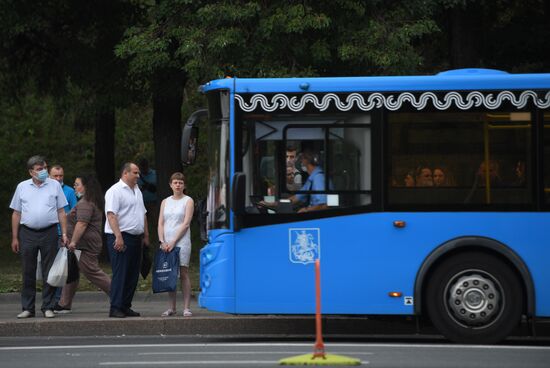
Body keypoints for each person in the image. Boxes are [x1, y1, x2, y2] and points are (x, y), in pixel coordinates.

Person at [9, 155, 68, 319]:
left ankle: (48, 306)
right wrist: (15, 237)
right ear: (31, 172)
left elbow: (61, 211)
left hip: (49, 231)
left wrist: (64, 233)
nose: (43, 172)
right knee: (28, 270)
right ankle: (28, 307)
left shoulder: (54, 185)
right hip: (27, 232)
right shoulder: (22, 187)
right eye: (39, 169)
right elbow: (16, 213)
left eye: (45, 168)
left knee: (49, 271)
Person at [54, 174, 111, 314]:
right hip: (79, 245)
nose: (75, 187)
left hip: (84, 245)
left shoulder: (86, 203)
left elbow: (82, 224)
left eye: (77, 184)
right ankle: (64, 303)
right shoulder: (89, 201)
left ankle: (118, 296)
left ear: (86, 186)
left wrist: (73, 241)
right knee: (71, 273)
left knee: (92, 272)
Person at [104, 162, 150, 318]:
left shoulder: (137, 190)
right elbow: (111, 215)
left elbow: (143, 213)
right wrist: (118, 236)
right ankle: (115, 306)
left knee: (132, 274)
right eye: (135, 173)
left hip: (136, 237)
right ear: (125, 173)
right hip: (120, 236)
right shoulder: (115, 191)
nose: (138, 176)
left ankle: (125, 305)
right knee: (121, 273)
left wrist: (146, 236)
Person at [157, 172, 195, 317]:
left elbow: (186, 223)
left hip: (182, 241)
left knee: (183, 273)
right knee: (169, 273)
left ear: (184, 185)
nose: (178, 185)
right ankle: (171, 308)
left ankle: (186, 307)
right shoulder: (165, 201)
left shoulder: (188, 201)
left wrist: (173, 242)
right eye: (175, 182)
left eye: (180, 182)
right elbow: (160, 223)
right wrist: (162, 241)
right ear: (170, 184)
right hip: (166, 242)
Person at [49, 164, 78, 304]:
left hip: (63, 233)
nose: (58, 178)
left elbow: (74, 211)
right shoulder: (45, 189)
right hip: (47, 232)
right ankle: (49, 299)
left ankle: (58, 300)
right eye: (55, 176)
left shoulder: (69, 191)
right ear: (49, 176)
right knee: (48, 267)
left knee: (61, 268)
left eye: (61, 176)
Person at [137, 158, 158, 224]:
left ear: (147, 165)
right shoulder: (137, 176)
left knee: (155, 222)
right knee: (142, 223)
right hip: (140, 204)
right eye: (142, 166)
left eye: (144, 166)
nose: (143, 168)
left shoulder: (155, 174)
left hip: (153, 203)